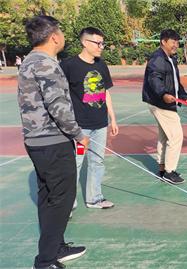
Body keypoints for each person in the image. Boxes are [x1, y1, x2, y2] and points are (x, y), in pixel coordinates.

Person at [18, 15, 88, 269]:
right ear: (54, 37)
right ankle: (46, 260)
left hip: (37, 141)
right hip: (53, 141)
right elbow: (58, 106)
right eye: (61, 32)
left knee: (49, 196)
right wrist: (78, 134)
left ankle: (55, 245)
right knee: (61, 199)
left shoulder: (29, 61)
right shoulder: (46, 64)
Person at [60, 27, 117, 210]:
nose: (101, 46)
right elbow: (60, 95)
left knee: (97, 161)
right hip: (80, 128)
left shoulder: (101, 65)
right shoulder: (69, 66)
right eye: (97, 43)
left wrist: (112, 119)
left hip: (100, 125)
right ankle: (69, 203)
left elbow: (105, 92)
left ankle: (94, 198)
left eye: (102, 43)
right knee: (76, 163)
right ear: (85, 42)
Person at [142, 29, 187, 184]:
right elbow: (154, 79)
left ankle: (163, 169)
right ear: (163, 42)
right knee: (176, 136)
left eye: (177, 42)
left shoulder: (170, 58)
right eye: (173, 42)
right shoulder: (157, 59)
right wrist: (163, 94)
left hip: (165, 101)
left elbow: (175, 81)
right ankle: (170, 172)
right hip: (161, 103)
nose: (175, 45)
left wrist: (183, 95)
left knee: (164, 137)